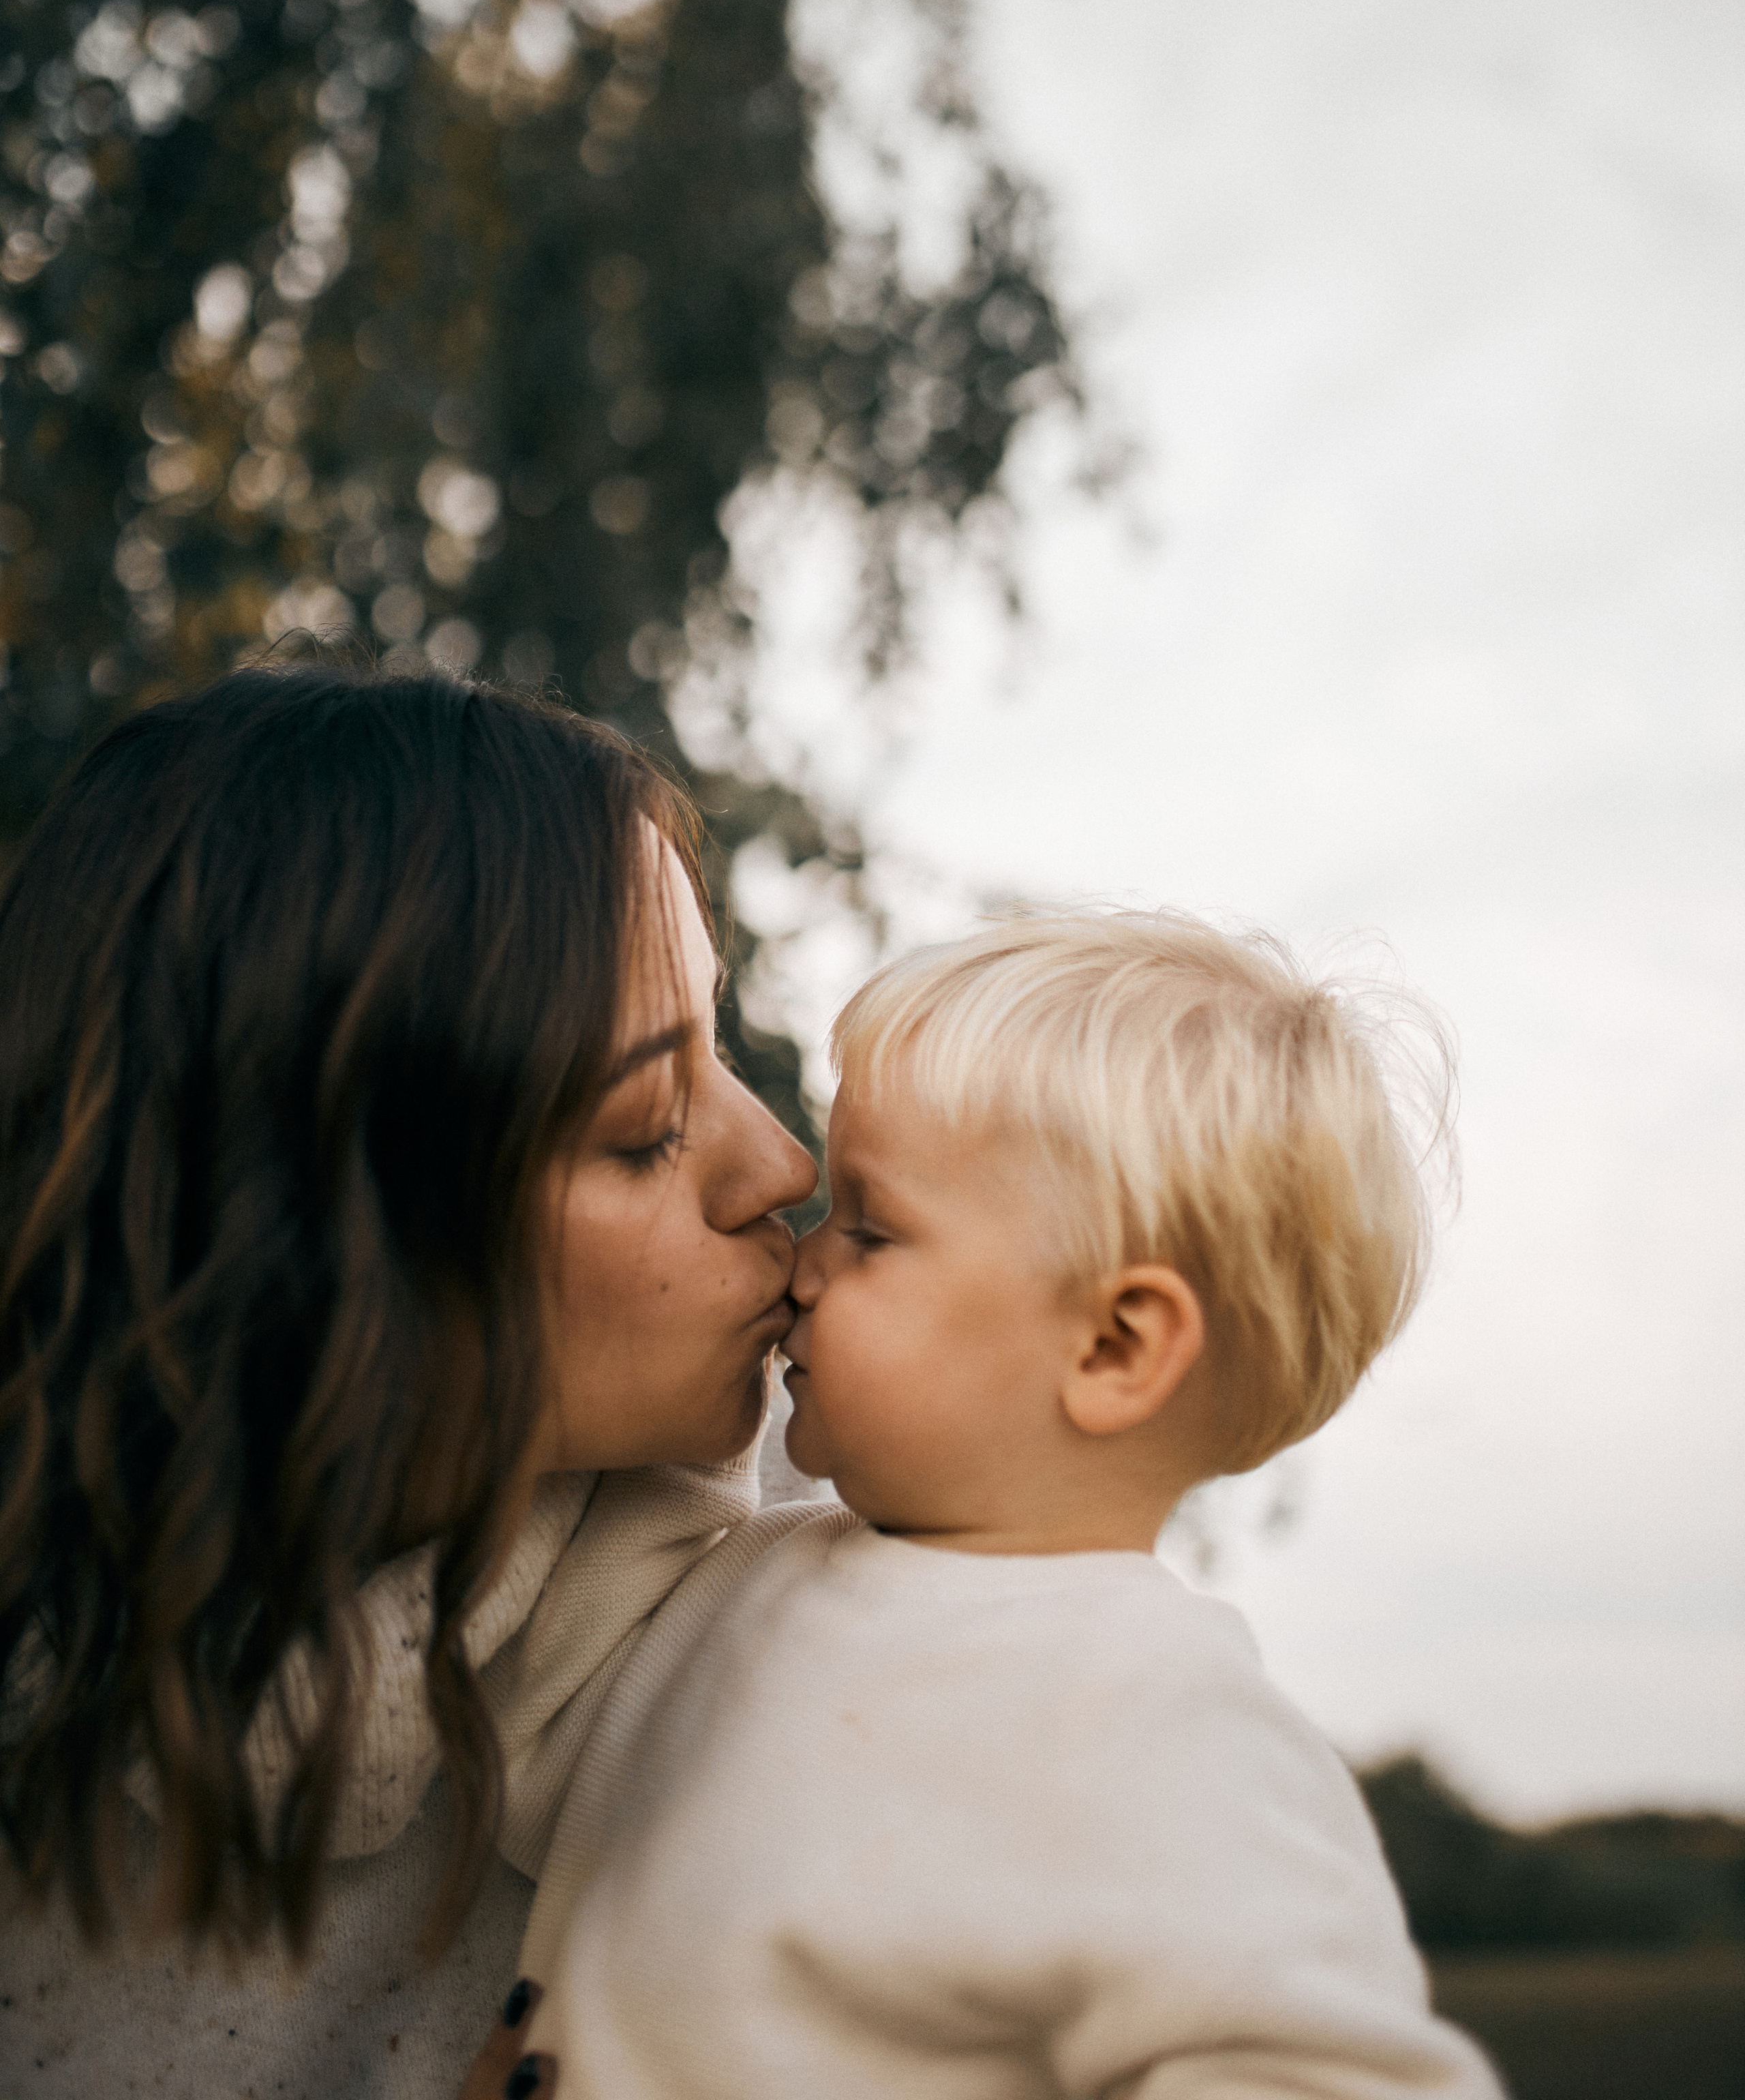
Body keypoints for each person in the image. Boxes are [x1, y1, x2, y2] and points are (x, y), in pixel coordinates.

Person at [0, 659, 815, 2099]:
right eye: (644, 1127)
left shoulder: (849, 1594)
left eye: (724, 1042)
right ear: (309, 1244)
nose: (782, 1167)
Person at [526, 912, 1502, 2098]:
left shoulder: (1168, 1723)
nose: (805, 1260)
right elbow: (460, 1682)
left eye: (872, 1230)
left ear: (1111, 1345)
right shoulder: (726, 1576)